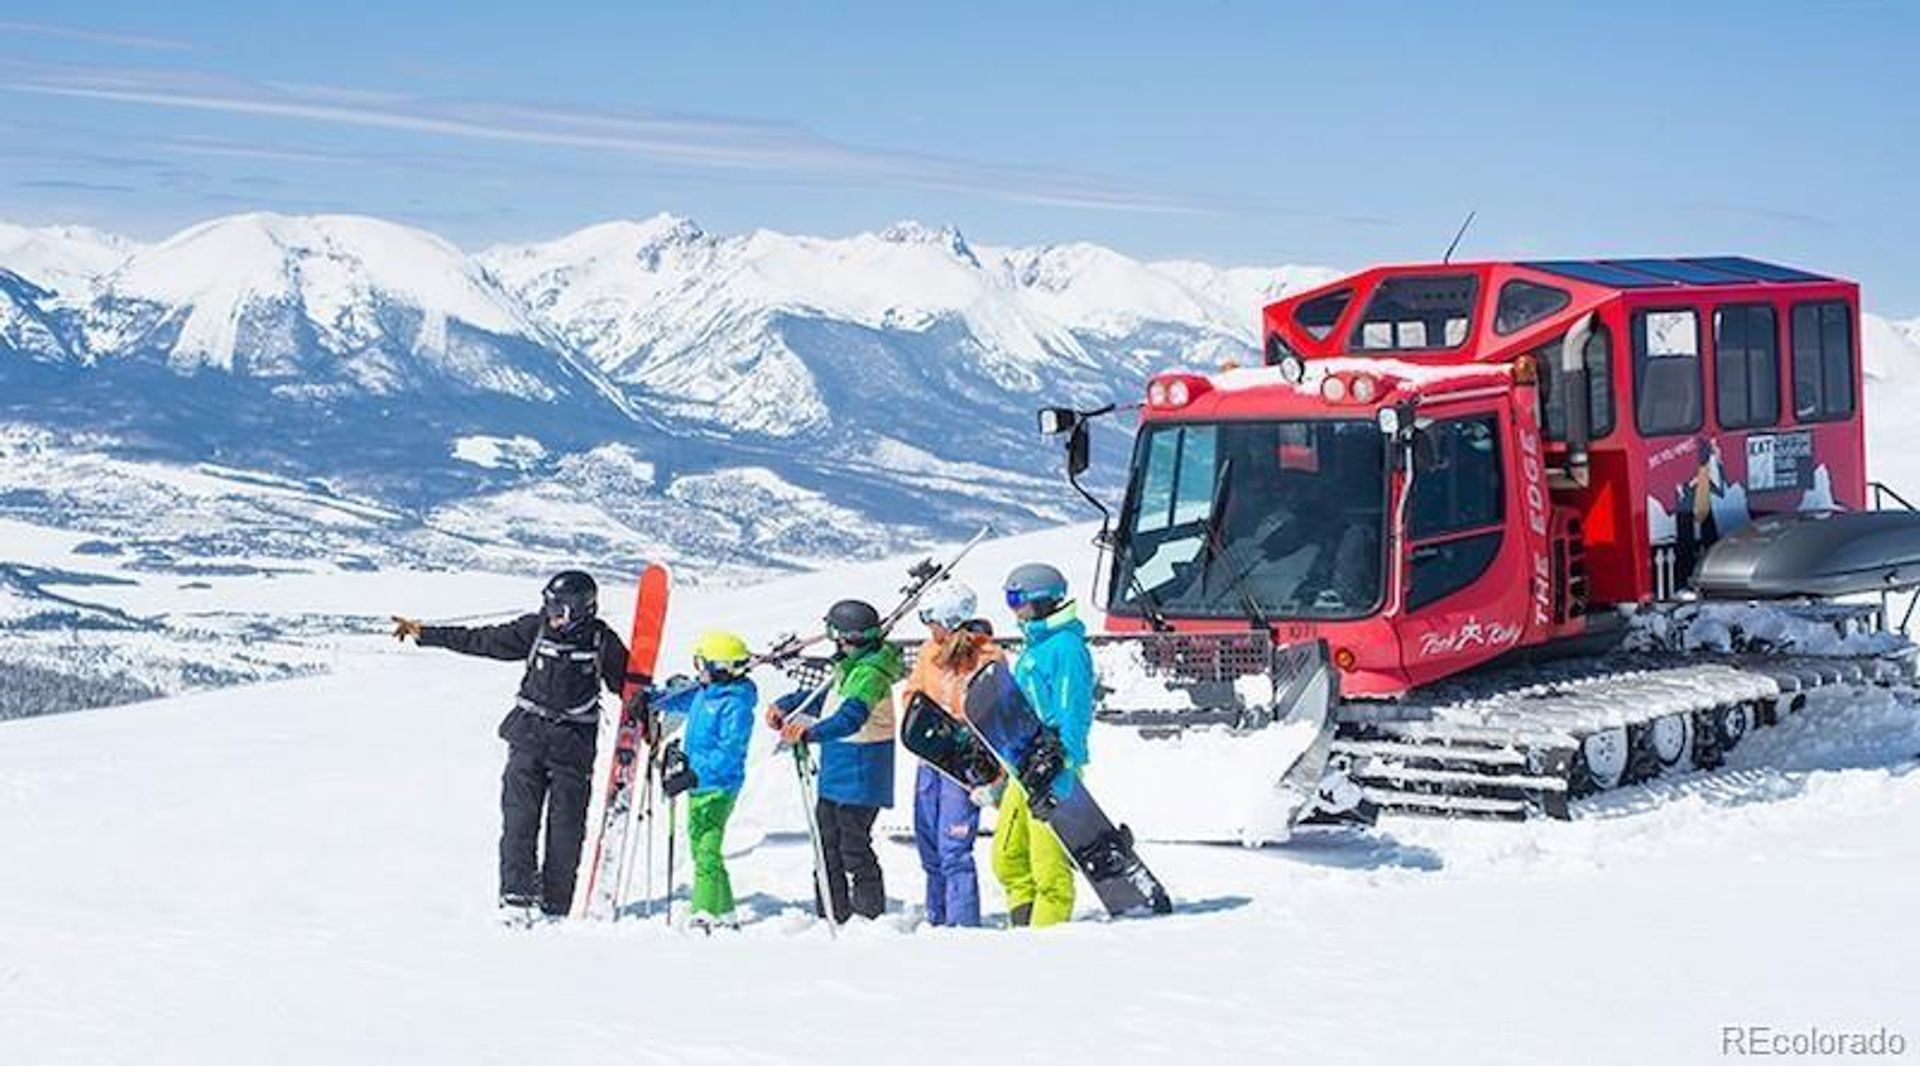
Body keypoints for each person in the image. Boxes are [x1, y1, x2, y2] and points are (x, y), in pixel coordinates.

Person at [391, 571, 632, 919]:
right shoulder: (535, 628)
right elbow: (483, 640)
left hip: (573, 745)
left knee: (566, 827)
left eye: (558, 608)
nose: (551, 614)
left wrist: (647, 704)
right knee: (519, 820)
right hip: (528, 737)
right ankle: (516, 894)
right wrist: (425, 633)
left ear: (581, 609)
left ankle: (558, 901)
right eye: (549, 605)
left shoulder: (601, 641)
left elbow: (626, 682)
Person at [766, 599, 904, 922]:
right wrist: (786, 705)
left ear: (846, 637)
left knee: (852, 849)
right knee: (826, 846)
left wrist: (808, 735)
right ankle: (831, 913)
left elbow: (849, 718)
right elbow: (827, 700)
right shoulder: (850, 666)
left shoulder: (870, 674)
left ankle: (868, 917)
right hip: (837, 772)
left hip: (861, 771)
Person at [994, 562, 1094, 928]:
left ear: (1041, 600)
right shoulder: (1035, 645)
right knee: (1007, 858)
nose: (1013, 608)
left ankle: (1046, 946)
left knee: (1047, 867)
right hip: (1024, 764)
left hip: (1052, 769)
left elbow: (1074, 711)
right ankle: (1023, 929)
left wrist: (1061, 765)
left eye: (1016, 598)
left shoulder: (1066, 647)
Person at [901, 581, 1002, 928]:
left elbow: (999, 715)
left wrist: (993, 776)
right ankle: (937, 919)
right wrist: (925, 719)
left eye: (931, 619)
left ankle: (961, 928)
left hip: (962, 767)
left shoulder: (987, 658)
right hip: (931, 759)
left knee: (953, 850)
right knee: (929, 846)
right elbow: (913, 692)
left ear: (950, 618)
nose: (929, 627)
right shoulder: (929, 652)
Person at [657, 631, 758, 931]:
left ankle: (703, 911)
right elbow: (677, 698)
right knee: (700, 844)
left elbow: (730, 751)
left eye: (702, 664)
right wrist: (649, 700)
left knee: (706, 849)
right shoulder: (705, 692)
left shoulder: (736, 705)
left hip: (719, 787)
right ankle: (725, 911)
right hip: (699, 785)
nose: (697, 670)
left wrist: (693, 775)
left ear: (721, 667)